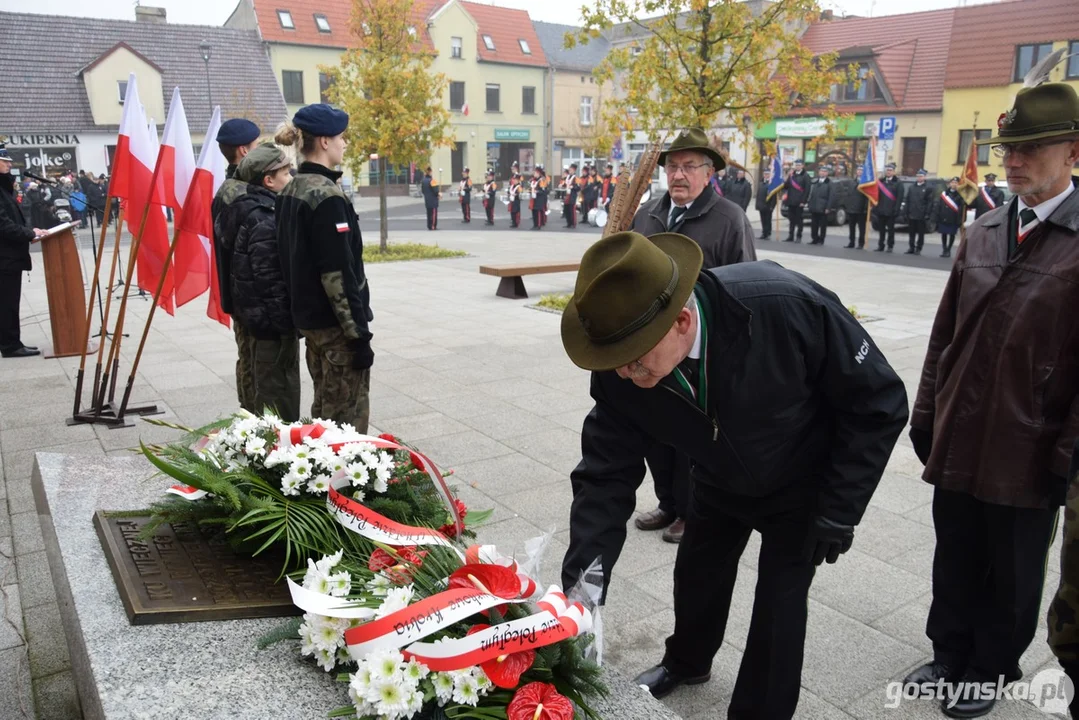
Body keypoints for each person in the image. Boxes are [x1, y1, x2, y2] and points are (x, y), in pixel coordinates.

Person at [560, 231, 908, 718]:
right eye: (617, 365)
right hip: (717, 476)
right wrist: (582, 590)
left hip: (802, 484)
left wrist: (840, 508)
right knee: (698, 575)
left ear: (681, 321)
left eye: (636, 363)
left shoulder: (783, 305)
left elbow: (880, 401)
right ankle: (687, 661)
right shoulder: (623, 357)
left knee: (779, 610)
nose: (625, 376)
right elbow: (604, 475)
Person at [907, 81, 1079, 719]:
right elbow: (943, 337)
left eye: (1032, 147)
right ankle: (947, 652)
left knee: (1011, 570)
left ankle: (988, 668)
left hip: (1029, 441)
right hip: (961, 426)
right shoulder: (981, 230)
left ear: (1073, 151)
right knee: (955, 552)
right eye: (1009, 147)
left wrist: (1067, 451)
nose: (1014, 160)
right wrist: (927, 413)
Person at [628, 128, 757, 543]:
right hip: (649, 344)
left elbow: (746, 283)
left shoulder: (729, 218)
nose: (678, 174)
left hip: (699, 348)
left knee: (692, 438)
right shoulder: (647, 213)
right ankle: (668, 502)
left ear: (708, 172)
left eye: (688, 166)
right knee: (654, 432)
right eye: (672, 166)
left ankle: (691, 509)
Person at [275, 104, 374, 432]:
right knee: (345, 423)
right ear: (324, 142)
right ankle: (340, 484)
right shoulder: (325, 196)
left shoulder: (290, 189)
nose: (345, 143)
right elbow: (337, 274)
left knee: (324, 411)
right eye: (341, 137)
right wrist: (359, 335)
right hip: (336, 330)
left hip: (312, 324)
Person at [214, 144, 300, 421]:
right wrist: (288, 327)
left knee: (259, 388)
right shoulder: (264, 217)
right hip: (271, 327)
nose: (291, 178)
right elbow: (271, 281)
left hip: (253, 319)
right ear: (268, 181)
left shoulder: (245, 206)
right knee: (278, 398)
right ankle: (276, 454)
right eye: (285, 173)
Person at [0, 144, 45, 358]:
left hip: (9, 256)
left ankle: (12, 342)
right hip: (4, 258)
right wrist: (29, 233)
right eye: (4, 160)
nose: (9, 164)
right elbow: (3, 225)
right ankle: (10, 345)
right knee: (7, 303)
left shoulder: (4, 187)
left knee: (9, 302)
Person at [905, 169, 934, 255]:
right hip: (912, 213)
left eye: (921, 176)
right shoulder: (912, 187)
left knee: (921, 233)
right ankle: (911, 247)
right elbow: (908, 200)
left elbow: (930, 202)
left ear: (924, 177)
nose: (919, 178)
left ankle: (919, 248)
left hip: (921, 214)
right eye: (918, 176)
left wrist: (927, 213)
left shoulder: (928, 188)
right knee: (911, 232)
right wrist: (906, 211)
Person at [935, 177, 964, 258]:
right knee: (943, 233)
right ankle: (944, 249)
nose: (954, 184)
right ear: (950, 184)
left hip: (953, 218)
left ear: (958, 185)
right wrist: (938, 215)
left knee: (952, 234)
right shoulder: (944, 194)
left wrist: (960, 219)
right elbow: (939, 205)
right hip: (944, 217)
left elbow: (961, 208)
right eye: (952, 182)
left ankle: (948, 249)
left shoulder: (960, 195)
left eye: (956, 183)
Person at [875, 163, 901, 252]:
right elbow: (876, 195)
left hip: (891, 211)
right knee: (881, 230)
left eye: (890, 170)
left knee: (891, 230)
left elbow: (899, 198)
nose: (888, 172)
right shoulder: (881, 182)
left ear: (894, 172)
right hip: (881, 210)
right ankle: (881, 245)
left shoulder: (897, 183)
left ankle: (890, 246)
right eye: (887, 170)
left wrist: (896, 210)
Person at [783, 159, 810, 243]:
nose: (797, 167)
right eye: (796, 165)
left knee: (799, 220)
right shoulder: (792, 175)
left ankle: (799, 236)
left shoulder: (805, 176)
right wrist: (787, 177)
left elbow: (807, 190)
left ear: (802, 166)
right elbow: (786, 186)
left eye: (799, 165)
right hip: (791, 201)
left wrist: (803, 201)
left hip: (799, 202)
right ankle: (790, 236)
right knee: (791, 220)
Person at [807, 164, 832, 245]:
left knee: (823, 225)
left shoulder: (829, 183)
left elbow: (831, 197)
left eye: (824, 171)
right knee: (814, 224)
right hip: (814, 206)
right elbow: (811, 193)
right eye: (821, 171)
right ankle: (814, 238)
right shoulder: (815, 181)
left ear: (827, 173)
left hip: (823, 207)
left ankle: (821, 239)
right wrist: (809, 204)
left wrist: (828, 207)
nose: (822, 173)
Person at [846, 183, 869, 249]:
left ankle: (861, 243)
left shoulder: (865, 183)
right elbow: (849, 195)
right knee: (851, 227)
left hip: (861, 210)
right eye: (858, 171)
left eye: (860, 171)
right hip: (851, 209)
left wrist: (865, 208)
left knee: (861, 228)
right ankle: (851, 242)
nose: (859, 172)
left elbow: (867, 197)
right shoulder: (852, 183)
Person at [755, 170, 776, 240]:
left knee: (768, 220)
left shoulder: (771, 184)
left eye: (767, 174)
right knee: (763, 220)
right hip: (761, 205)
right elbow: (758, 195)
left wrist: (772, 206)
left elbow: (774, 197)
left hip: (768, 205)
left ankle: (767, 233)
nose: (766, 175)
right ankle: (764, 232)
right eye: (765, 174)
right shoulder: (761, 183)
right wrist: (757, 204)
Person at [563, 163, 579, 228]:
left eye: (571, 170)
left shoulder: (576, 178)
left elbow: (578, 187)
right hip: (566, 195)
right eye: (570, 169)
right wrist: (562, 185)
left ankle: (573, 223)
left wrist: (573, 187)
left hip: (572, 196)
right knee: (566, 210)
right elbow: (565, 184)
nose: (570, 171)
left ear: (574, 171)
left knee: (572, 211)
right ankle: (568, 223)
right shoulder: (567, 177)